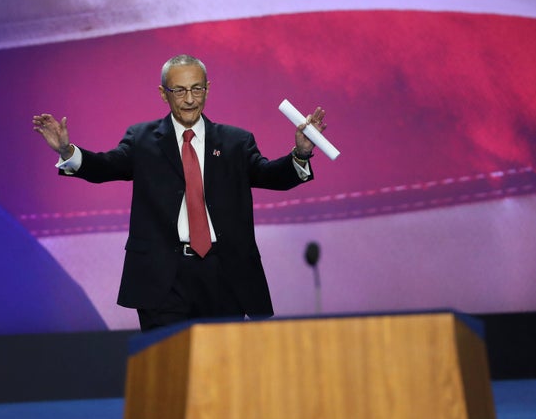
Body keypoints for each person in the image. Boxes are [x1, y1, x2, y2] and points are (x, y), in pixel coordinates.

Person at [32, 54, 327, 331]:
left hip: (223, 274)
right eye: (180, 90)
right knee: (167, 369)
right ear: (163, 93)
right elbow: (104, 166)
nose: (189, 99)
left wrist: (300, 154)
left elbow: (270, 175)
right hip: (163, 277)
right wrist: (67, 151)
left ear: (208, 89)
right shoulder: (142, 139)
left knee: (221, 368)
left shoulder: (236, 141)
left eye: (197, 89)